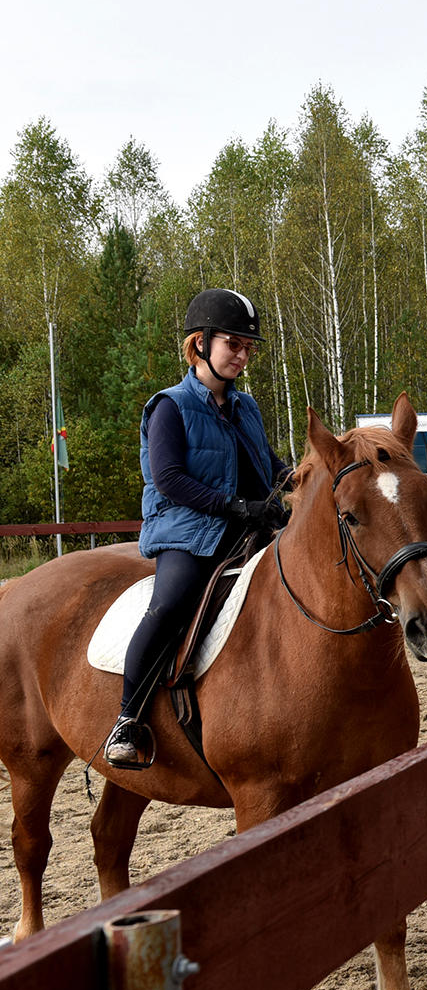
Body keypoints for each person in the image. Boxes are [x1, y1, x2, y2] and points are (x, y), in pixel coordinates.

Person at [103, 289, 288, 770]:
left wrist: (307, 480)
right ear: (200, 344)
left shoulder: (246, 408)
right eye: (234, 344)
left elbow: (269, 466)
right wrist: (233, 506)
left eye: (249, 347)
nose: (243, 355)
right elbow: (168, 478)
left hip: (245, 527)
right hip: (188, 531)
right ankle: (128, 719)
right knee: (170, 604)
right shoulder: (170, 406)